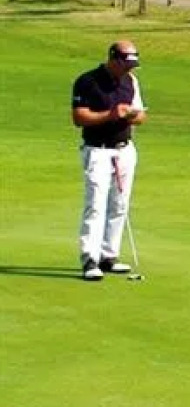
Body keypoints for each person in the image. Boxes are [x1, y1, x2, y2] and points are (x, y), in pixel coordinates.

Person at [71, 41, 148, 281]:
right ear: (113, 59)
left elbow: (141, 115)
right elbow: (79, 117)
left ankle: (108, 256)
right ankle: (89, 259)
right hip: (98, 150)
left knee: (120, 204)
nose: (129, 69)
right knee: (95, 204)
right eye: (126, 64)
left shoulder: (131, 81)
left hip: (124, 149)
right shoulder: (88, 81)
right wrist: (111, 115)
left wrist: (131, 115)